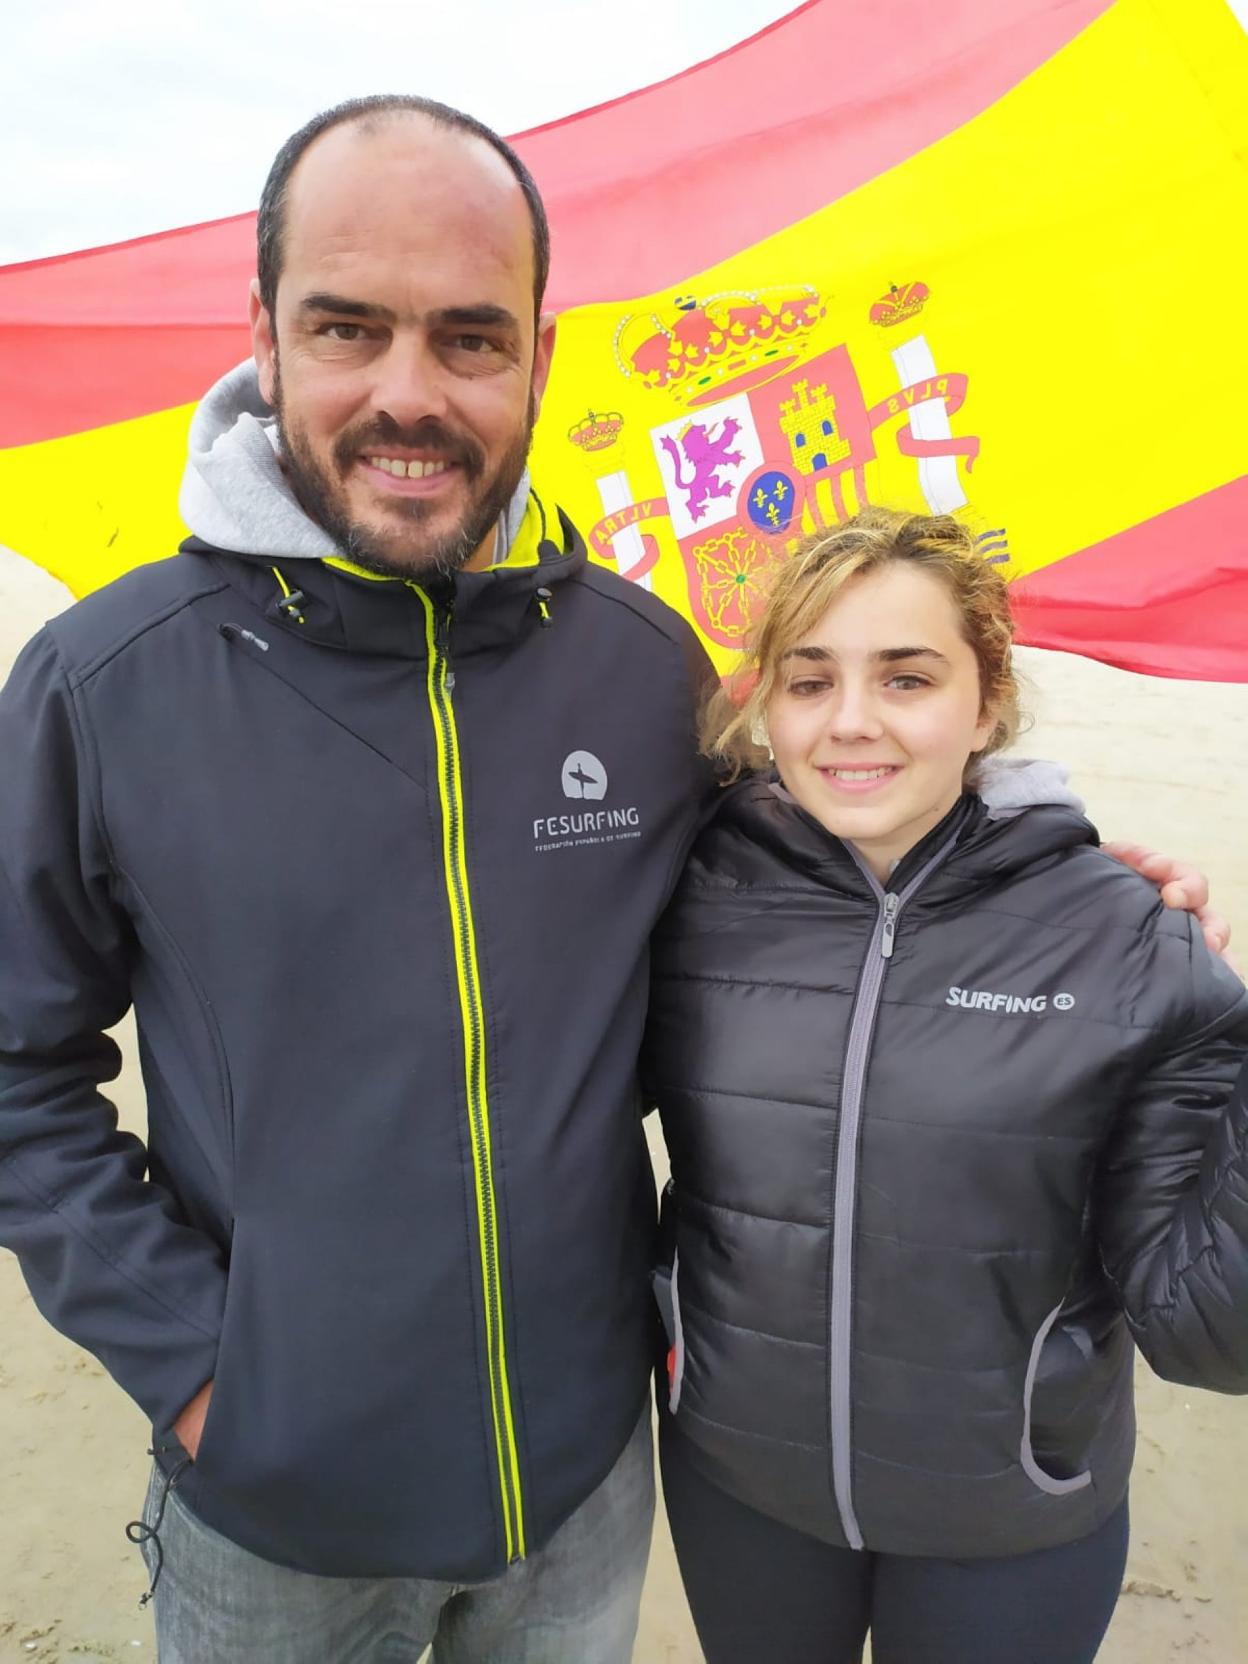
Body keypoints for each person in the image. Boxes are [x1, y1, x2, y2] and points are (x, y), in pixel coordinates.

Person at [0, 97, 1228, 1663]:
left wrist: (1053, 889)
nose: (408, 392)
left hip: (588, 1486)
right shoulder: (102, 683)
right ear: (262, 336)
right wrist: (192, 1362)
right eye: (347, 326)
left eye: (469, 337)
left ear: (539, 356)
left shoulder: (641, 666)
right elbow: (18, 1072)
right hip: (273, 1513)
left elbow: (815, 880)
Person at [645, 507, 1248, 1664]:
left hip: (1012, 1518)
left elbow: (1212, 1334)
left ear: (987, 702)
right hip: (740, 1487)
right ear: (767, 704)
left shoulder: (1125, 942)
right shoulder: (688, 891)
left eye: (907, 677)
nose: (850, 720)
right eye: (809, 679)